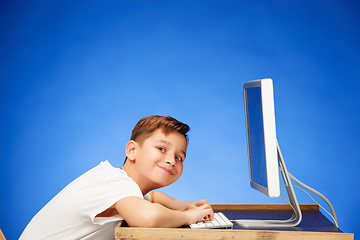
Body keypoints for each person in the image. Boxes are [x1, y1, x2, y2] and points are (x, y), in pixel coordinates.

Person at [20, 115, 214, 240]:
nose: (171, 160)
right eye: (161, 149)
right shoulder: (113, 182)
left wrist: (181, 204)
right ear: (132, 150)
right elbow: (149, 216)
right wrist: (187, 216)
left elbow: (153, 197)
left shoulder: (127, 187)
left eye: (179, 157)